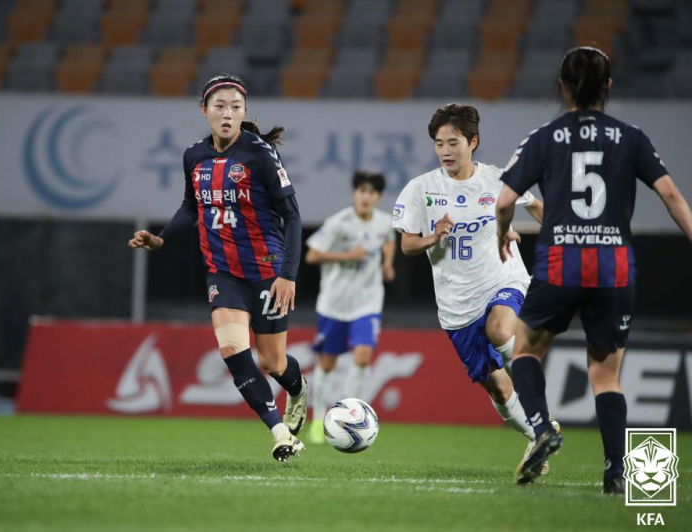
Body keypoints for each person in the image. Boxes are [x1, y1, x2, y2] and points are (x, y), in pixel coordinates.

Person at [496, 46, 692, 491]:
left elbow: (505, 200)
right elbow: (673, 197)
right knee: (606, 376)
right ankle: (616, 473)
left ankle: (543, 426)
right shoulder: (632, 137)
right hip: (614, 269)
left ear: (562, 87)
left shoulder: (544, 137)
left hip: (560, 264)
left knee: (524, 351)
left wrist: (501, 232)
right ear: (608, 87)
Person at [128, 74, 309, 462]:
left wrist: (288, 275)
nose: (228, 114)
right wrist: (161, 239)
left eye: (236, 107)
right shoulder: (193, 155)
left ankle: (297, 388)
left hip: (266, 270)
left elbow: (292, 216)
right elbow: (191, 207)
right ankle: (280, 434)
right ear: (204, 111)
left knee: (273, 363)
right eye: (220, 106)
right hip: (222, 272)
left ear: (244, 113)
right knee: (232, 350)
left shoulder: (259, 154)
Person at [393, 103, 556, 468]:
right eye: (439, 144)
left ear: (473, 141)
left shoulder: (498, 179)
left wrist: (564, 233)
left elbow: (535, 207)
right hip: (455, 305)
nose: (446, 151)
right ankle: (538, 437)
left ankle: (542, 419)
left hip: (502, 277)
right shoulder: (421, 189)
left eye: (453, 142)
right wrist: (433, 236)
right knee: (498, 389)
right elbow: (406, 245)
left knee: (500, 329)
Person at [304, 171, 396, 444]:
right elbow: (312, 255)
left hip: (367, 302)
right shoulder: (338, 223)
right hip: (334, 303)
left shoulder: (384, 222)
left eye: (371, 192)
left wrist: (388, 263)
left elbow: (389, 240)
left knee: (363, 357)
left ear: (378, 197)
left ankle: (349, 414)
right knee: (327, 363)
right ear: (354, 194)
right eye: (361, 191)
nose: (365, 197)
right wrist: (346, 255)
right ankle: (320, 417)